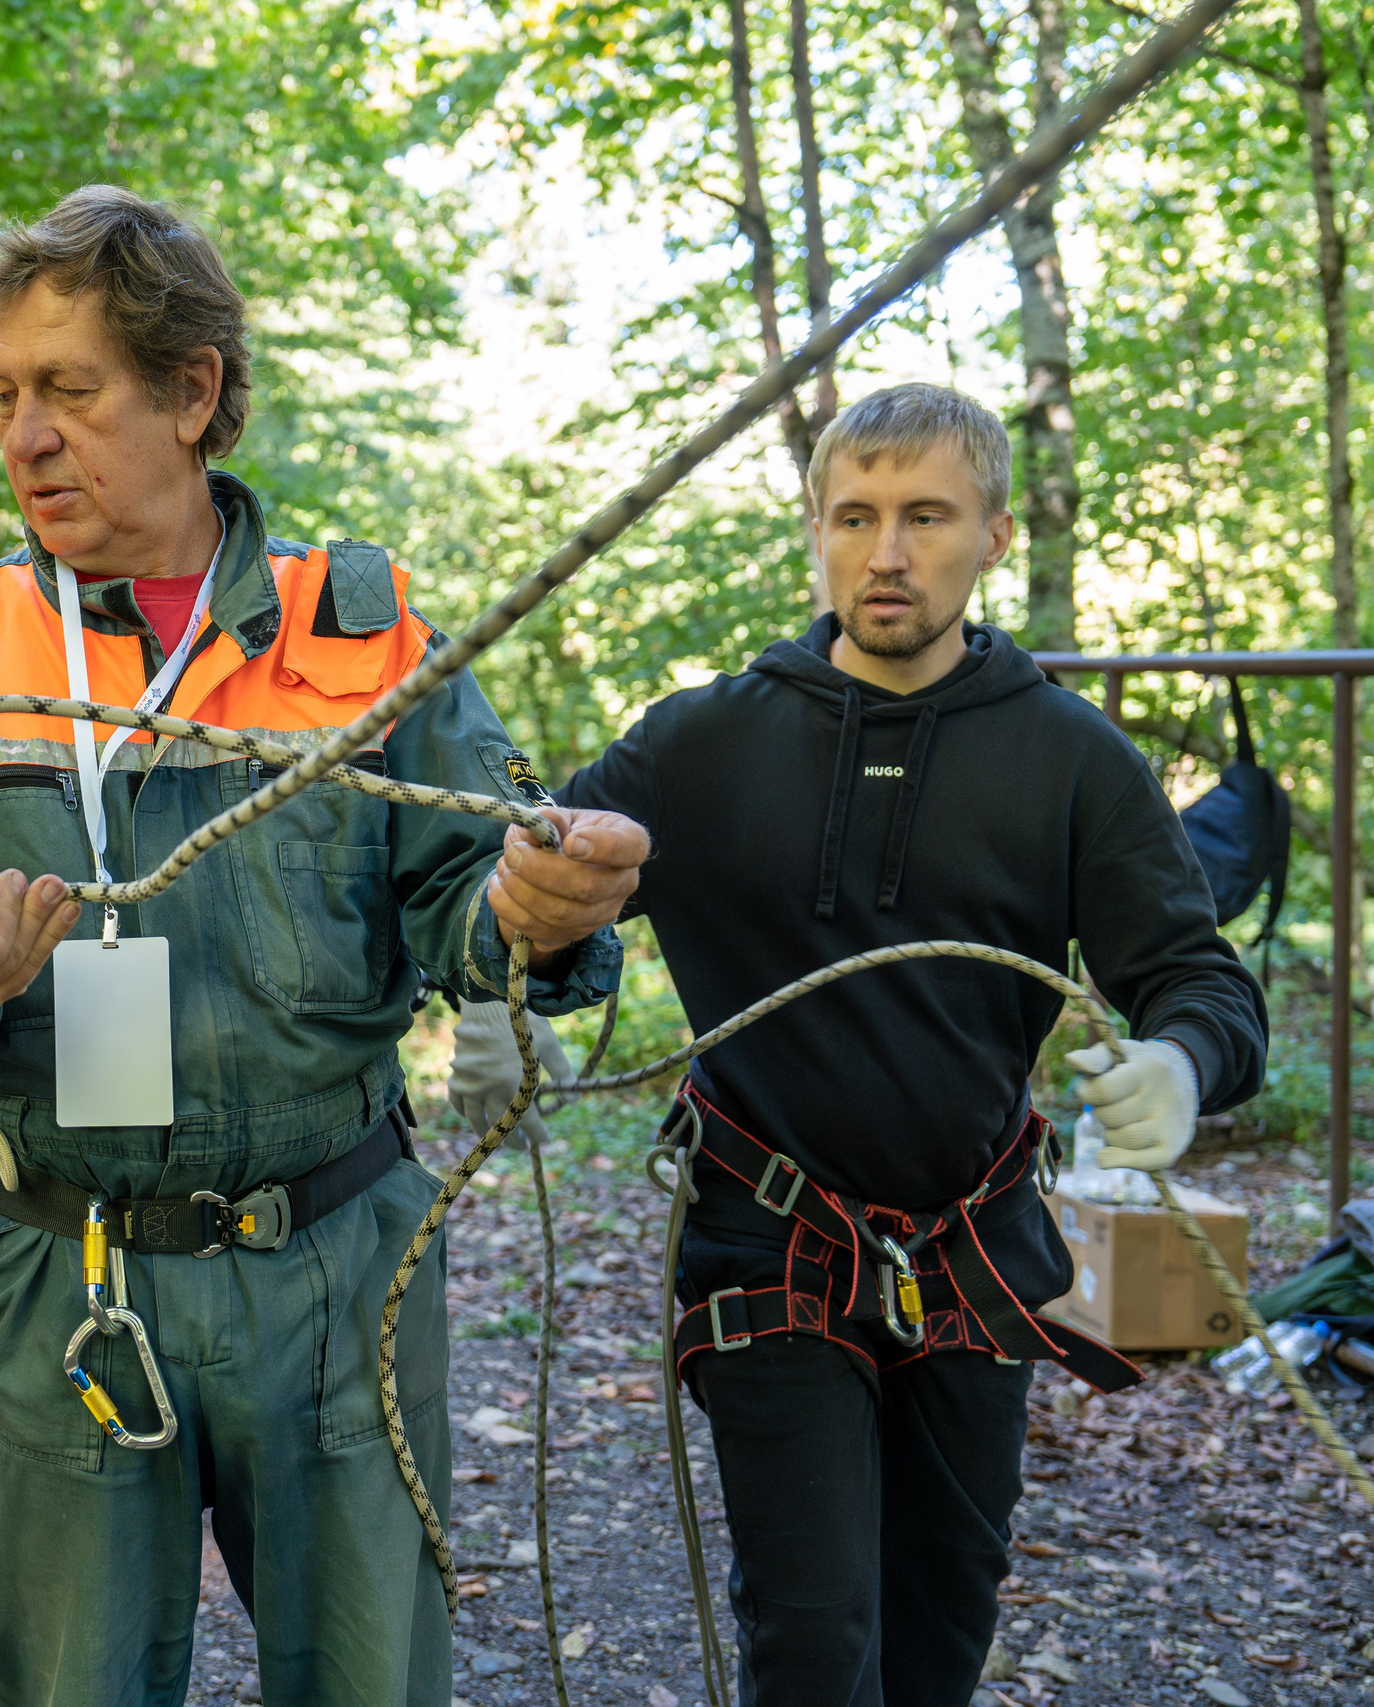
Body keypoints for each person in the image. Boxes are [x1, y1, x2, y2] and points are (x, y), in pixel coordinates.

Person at [0, 185, 649, 1707]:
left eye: (70, 390)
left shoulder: (364, 631)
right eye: (3, 395)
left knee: (374, 1680)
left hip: (337, 1262)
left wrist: (532, 914)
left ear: (193, 394)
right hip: (60, 1264)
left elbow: (475, 901)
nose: (25, 436)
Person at [459, 382, 1267, 1706]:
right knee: (819, 1639)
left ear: (995, 534)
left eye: (926, 516)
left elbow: (1200, 981)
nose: (885, 552)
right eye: (855, 517)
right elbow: (543, 906)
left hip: (977, 1249)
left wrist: (1180, 1066)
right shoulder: (698, 744)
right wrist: (538, 910)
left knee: (939, 1638)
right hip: (769, 1243)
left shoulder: (1071, 762)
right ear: (818, 534)